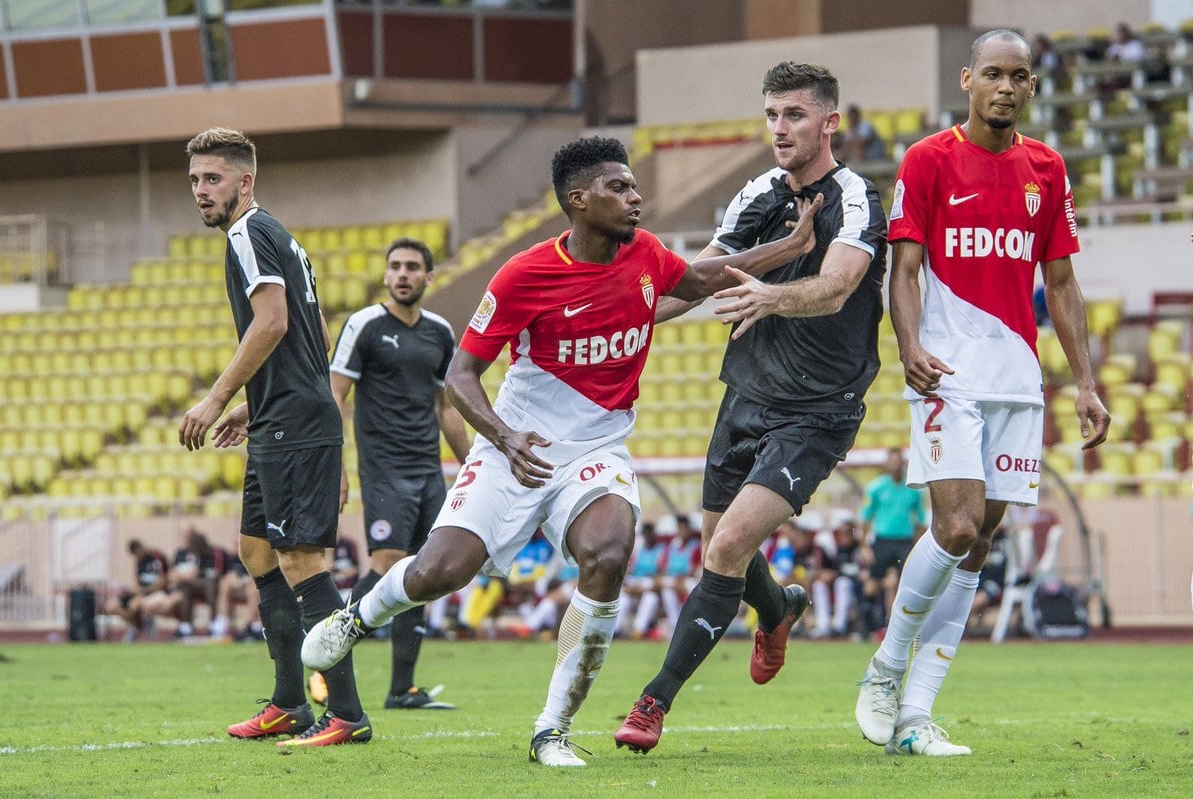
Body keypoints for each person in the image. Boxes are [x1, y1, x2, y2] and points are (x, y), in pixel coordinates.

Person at [301, 134, 824, 767]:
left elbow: (699, 279)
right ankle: (359, 617)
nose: (635, 197)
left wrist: (791, 246)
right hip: (517, 445)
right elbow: (461, 377)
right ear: (578, 200)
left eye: (634, 186)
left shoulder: (645, 252)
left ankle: (552, 729)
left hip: (597, 448)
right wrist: (504, 437)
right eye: (618, 188)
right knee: (441, 571)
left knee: (608, 554)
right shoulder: (524, 274)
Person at [615, 61, 888, 756]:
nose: (779, 129)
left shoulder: (858, 198)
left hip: (817, 410)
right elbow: (696, 280)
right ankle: (778, 606)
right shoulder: (758, 194)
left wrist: (771, 296)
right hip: (745, 396)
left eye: (794, 114)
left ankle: (653, 701)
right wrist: (623, 318)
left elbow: (837, 285)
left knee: (729, 545)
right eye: (771, 115)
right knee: (722, 548)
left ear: (829, 121)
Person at [854, 29, 1110, 757]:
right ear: (967, 80)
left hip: (1016, 378)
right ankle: (885, 667)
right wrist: (909, 346)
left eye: (1018, 76)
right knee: (959, 527)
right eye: (992, 73)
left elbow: (1062, 281)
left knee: (980, 545)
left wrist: (1085, 384)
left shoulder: (1046, 168)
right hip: (947, 370)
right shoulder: (928, 159)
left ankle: (915, 716)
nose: (1005, 86)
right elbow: (904, 271)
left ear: (1031, 86)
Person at [181, 127, 370, 747]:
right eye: (195, 180)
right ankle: (290, 703)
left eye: (213, 179)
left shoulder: (248, 233)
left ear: (245, 181)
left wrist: (217, 398)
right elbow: (315, 328)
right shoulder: (277, 235)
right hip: (279, 415)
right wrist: (254, 404)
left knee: (302, 561)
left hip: (295, 422)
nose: (201, 190)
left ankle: (346, 713)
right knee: (257, 553)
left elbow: (273, 321)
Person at [328, 236, 471, 710]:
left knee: (422, 572)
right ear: (387, 274)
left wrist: (473, 467)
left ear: (428, 276)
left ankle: (402, 689)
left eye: (412, 266)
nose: (403, 274)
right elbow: (335, 396)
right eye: (395, 266)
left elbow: (446, 408)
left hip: (428, 471)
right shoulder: (365, 325)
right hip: (384, 469)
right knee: (387, 563)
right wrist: (336, 467)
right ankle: (328, 659)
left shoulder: (439, 332)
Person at [858, 448, 926, 632]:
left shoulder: (913, 490)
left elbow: (920, 521)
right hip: (882, 540)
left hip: (904, 541)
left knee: (899, 584)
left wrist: (918, 545)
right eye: (893, 462)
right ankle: (866, 623)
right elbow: (865, 519)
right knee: (872, 585)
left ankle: (892, 626)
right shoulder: (876, 488)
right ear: (887, 464)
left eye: (898, 462)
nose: (896, 466)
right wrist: (864, 546)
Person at [103, 539, 170, 642]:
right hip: (140, 592)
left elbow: (164, 580)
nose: (137, 557)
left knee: (133, 605)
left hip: (152, 592)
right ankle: (138, 625)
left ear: (140, 548)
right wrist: (132, 590)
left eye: (137, 554)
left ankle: (135, 627)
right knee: (110, 606)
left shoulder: (157, 556)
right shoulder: (139, 561)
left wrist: (146, 590)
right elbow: (137, 581)